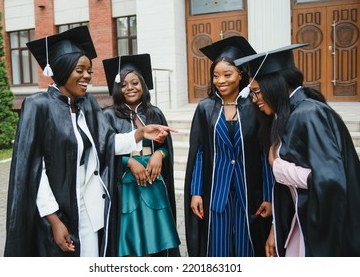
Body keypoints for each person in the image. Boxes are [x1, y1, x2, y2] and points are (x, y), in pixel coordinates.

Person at [4, 26, 175, 257]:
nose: (87, 76)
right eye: (80, 70)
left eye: (89, 71)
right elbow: (35, 170)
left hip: (92, 211)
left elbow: (107, 143)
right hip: (61, 209)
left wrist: (139, 134)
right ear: (63, 70)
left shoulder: (88, 106)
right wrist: (53, 219)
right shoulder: (39, 106)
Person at [234, 43, 360, 256]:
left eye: (256, 92)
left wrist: (279, 167)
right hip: (301, 220)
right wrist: (276, 226)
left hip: (325, 228)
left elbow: (331, 181)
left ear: (275, 84)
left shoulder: (308, 114)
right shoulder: (289, 114)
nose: (255, 100)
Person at [184, 36, 274, 257]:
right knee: (218, 247)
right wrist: (196, 192)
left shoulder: (253, 107)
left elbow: (264, 153)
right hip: (217, 191)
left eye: (227, 74)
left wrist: (268, 194)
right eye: (215, 75)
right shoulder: (206, 108)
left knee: (248, 247)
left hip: (248, 191)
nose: (220, 80)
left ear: (241, 75)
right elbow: (199, 153)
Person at [102, 53, 180, 257]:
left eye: (135, 82)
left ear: (143, 85)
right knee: (131, 244)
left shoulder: (154, 113)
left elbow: (165, 147)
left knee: (156, 242)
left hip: (153, 186)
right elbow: (105, 150)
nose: (130, 88)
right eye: (124, 84)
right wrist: (128, 162)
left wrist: (159, 156)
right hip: (126, 189)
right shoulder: (109, 115)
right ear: (117, 89)